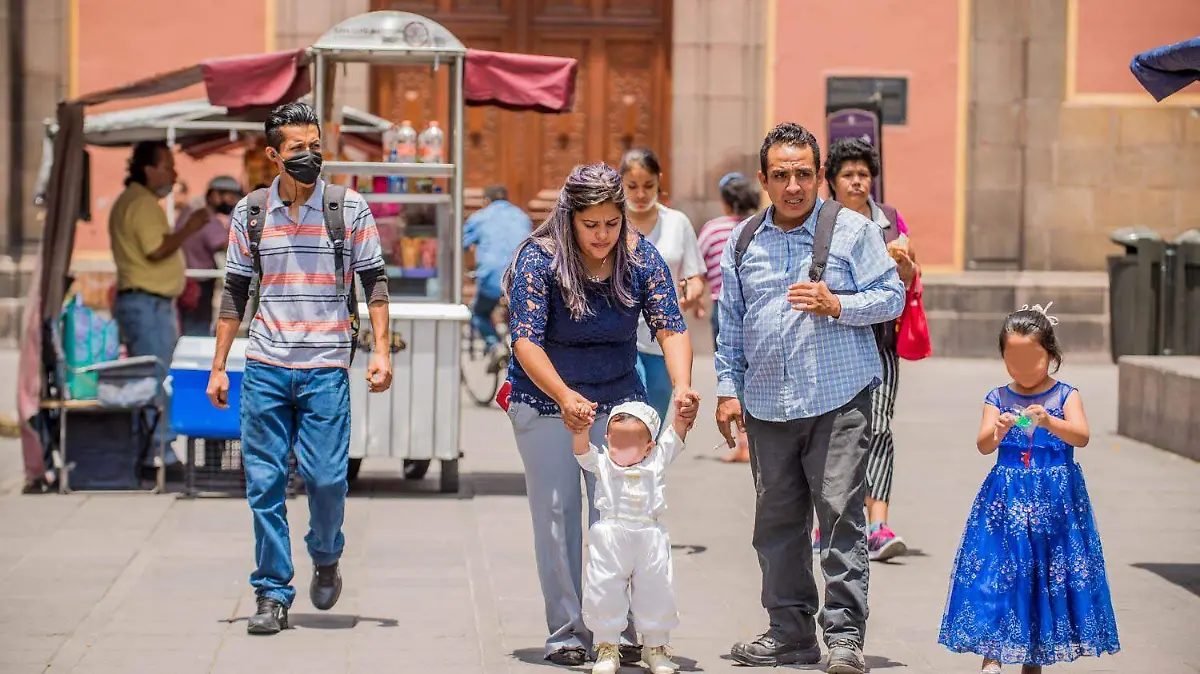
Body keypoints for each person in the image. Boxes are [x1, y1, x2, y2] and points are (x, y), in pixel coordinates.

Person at [714, 122, 904, 674]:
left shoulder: (853, 230)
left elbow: (891, 295)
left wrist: (838, 303)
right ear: (763, 180)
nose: (793, 185)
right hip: (768, 405)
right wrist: (729, 391)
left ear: (819, 176)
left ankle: (844, 638)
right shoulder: (744, 240)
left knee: (841, 515)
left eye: (803, 173)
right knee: (775, 525)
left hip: (840, 399)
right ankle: (790, 633)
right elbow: (731, 325)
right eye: (781, 175)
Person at [206, 102, 393, 635]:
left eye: (316, 147)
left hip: (326, 366)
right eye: (298, 149)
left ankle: (326, 551)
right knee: (263, 483)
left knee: (327, 479)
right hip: (265, 364)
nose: (310, 156)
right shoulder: (251, 213)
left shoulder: (349, 209)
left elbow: (374, 283)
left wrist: (380, 351)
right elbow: (235, 291)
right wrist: (219, 366)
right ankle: (271, 592)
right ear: (273, 155)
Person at [502, 163, 700, 666]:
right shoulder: (539, 259)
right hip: (547, 401)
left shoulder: (638, 257)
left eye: (612, 224)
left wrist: (681, 386)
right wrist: (565, 396)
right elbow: (525, 339)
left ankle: (624, 627)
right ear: (570, 219)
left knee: (621, 516)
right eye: (591, 225)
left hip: (618, 405)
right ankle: (569, 631)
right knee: (557, 516)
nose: (602, 235)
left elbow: (669, 324)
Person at [938, 304, 1119, 673]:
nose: (1021, 370)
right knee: (1001, 575)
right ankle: (993, 657)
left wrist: (1050, 420)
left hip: (1056, 506)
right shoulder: (997, 398)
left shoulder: (1067, 396)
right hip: (1006, 503)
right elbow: (983, 445)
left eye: (1031, 359)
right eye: (1012, 360)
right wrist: (1000, 430)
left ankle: (1033, 661)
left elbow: (1082, 436)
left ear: (1050, 356)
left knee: (1043, 580)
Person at [812, 137, 920, 560]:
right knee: (828, 431)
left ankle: (877, 524)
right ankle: (830, 520)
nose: (858, 182)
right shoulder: (821, 223)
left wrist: (907, 269)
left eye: (864, 174)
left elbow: (910, 283)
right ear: (833, 183)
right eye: (848, 175)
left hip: (881, 343)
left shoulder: (891, 221)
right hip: (832, 343)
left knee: (879, 428)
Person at [108, 140, 211, 470]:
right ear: (148, 169)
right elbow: (156, 249)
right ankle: (162, 455)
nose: (174, 173)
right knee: (158, 378)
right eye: (167, 165)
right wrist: (189, 229)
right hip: (147, 304)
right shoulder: (141, 204)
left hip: (146, 302)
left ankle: (151, 450)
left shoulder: (136, 202)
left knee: (152, 377)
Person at [573, 401, 689, 674]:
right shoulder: (603, 463)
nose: (619, 450)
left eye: (630, 444)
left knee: (656, 589)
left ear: (649, 447)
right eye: (616, 442)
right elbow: (581, 452)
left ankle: (655, 647)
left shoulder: (656, 462)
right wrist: (580, 429)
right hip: (610, 536)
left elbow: (675, 437)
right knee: (604, 590)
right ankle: (606, 646)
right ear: (607, 439)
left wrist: (683, 415)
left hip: (649, 536)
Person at [620, 149, 705, 425]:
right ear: (620, 184)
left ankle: (643, 469)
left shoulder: (677, 223)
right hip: (620, 335)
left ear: (659, 181)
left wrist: (693, 290)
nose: (641, 194)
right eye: (632, 186)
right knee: (626, 418)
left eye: (648, 186)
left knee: (651, 423)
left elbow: (694, 276)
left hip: (665, 337)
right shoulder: (611, 224)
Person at [696, 172, 759, 463]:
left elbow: (698, 267)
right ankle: (755, 441)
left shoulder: (712, 230)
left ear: (724, 202)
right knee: (756, 375)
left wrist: (697, 299)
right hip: (757, 311)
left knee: (733, 376)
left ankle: (743, 443)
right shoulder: (759, 227)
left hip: (723, 310)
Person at [463, 184, 532, 363]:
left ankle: (494, 346)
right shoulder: (522, 217)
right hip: (521, 277)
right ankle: (519, 347)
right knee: (520, 314)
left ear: (486, 201)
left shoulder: (478, 218)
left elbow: (460, 246)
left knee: (479, 313)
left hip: (491, 279)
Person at [177, 175, 244, 337]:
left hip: (184, 280)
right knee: (196, 333)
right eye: (230, 197)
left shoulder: (189, 212)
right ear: (214, 195)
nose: (232, 203)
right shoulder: (206, 218)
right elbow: (226, 245)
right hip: (198, 284)